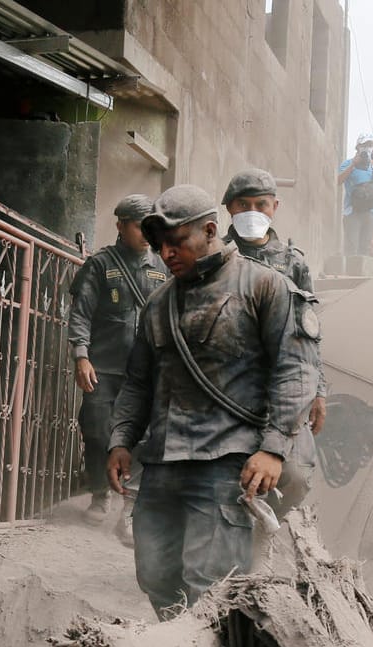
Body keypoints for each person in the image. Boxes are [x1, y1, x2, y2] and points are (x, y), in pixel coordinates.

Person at [107, 185, 317, 619]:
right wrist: (121, 439)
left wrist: (273, 449)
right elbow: (138, 383)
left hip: (227, 461)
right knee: (156, 575)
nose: (166, 254)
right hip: (163, 462)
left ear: (209, 229)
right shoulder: (157, 305)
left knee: (210, 584)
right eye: (160, 245)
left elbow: (295, 372)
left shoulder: (266, 287)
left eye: (177, 242)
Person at [221, 168, 325, 511]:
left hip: (282, 382)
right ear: (229, 209)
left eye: (261, 204)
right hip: (223, 381)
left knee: (296, 476)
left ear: (275, 207)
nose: (252, 212)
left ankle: (265, 526)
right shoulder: (213, 258)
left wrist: (318, 390)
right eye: (243, 204)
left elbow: (309, 332)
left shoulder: (294, 264)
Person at [67, 195, 167, 536]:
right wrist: (82, 355)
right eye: (139, 225)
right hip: (104, 368)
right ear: (121, 225)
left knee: (145, 436)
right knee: (96, 430)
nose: (145, 233)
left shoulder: (164, 267)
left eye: (151, 226)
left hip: (147, 373)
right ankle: (99, 494)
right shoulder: (100, 265)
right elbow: (80, 313)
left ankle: (131, 503)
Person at [337, 135, 373, 256]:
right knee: (351, 248)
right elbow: (338, 181)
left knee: (365, 249)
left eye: (370, 145)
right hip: (352, 212)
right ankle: (351, 273)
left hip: (370, 213)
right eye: (364, 145)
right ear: (358, 147)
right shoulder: (348, 164)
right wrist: (353, 165)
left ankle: (360, 273)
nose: (367, 148)